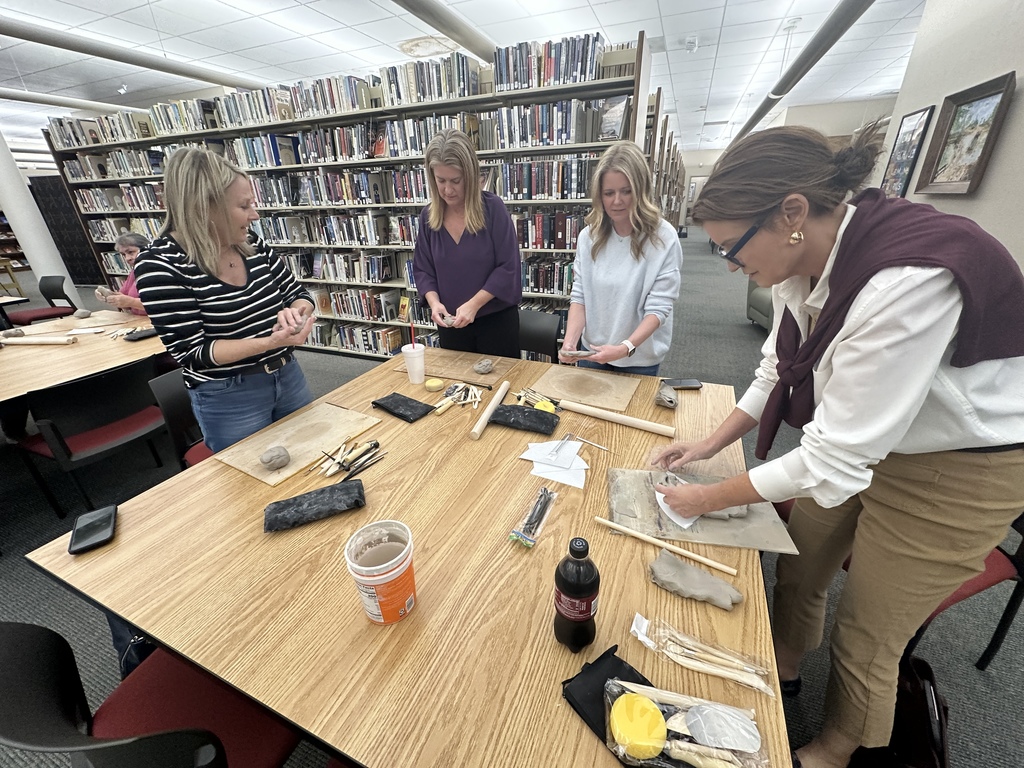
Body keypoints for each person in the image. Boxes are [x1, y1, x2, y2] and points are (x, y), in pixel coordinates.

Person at [650, 123, 1024, 768]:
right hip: (876, 437)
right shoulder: (807, 260)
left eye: (731, 248)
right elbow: (776, 370)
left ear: (791, 213)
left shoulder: (906, 280)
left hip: (963, 463)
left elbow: (829, 459)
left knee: (867, 631)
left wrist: (708, 497)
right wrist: (707, 444)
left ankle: (836, 747)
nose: (732, 265)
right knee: (801, 560)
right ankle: (787, 667)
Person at [135, 146, 315, 453]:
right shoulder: (160, 265)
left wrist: (295, 314)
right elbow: (193, 352)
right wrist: (271, 342)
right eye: (244, 206)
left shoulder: (252, 244)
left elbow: (299, 295)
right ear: (206, 207)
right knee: (252, 485)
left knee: (311, 458)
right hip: (229, 395)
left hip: (287, 375)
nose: (255, 216)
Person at [557, 141, 681, 376]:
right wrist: (570, 342)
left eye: (626, 191)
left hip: (639, 357)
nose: (617, 201)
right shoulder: (589, 236)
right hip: (591, 352)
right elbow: (580, 296)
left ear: (641, 190)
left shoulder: (663, 238)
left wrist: (625, 348)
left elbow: (659, 309)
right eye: (609, 193)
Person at [413, 128, 522, 357]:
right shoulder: (428, 217)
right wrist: (434, 304)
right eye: (440, 180)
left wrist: (474, 304)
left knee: (501, 387)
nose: (448, 189)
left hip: (495, 323)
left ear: (470, 176)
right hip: (451, 324)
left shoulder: (493, 209)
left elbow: (508, 267)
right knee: (457, 389)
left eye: (455, 180)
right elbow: (423, 269)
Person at [96, 232, 149, 315]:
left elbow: (162, 305)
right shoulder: (134, 271)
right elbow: (125, 303)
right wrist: (109, 296)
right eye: (123, 255)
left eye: (131, 252)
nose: (127, 258)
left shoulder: (159, 271)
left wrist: (132, 302)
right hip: (138, 320)